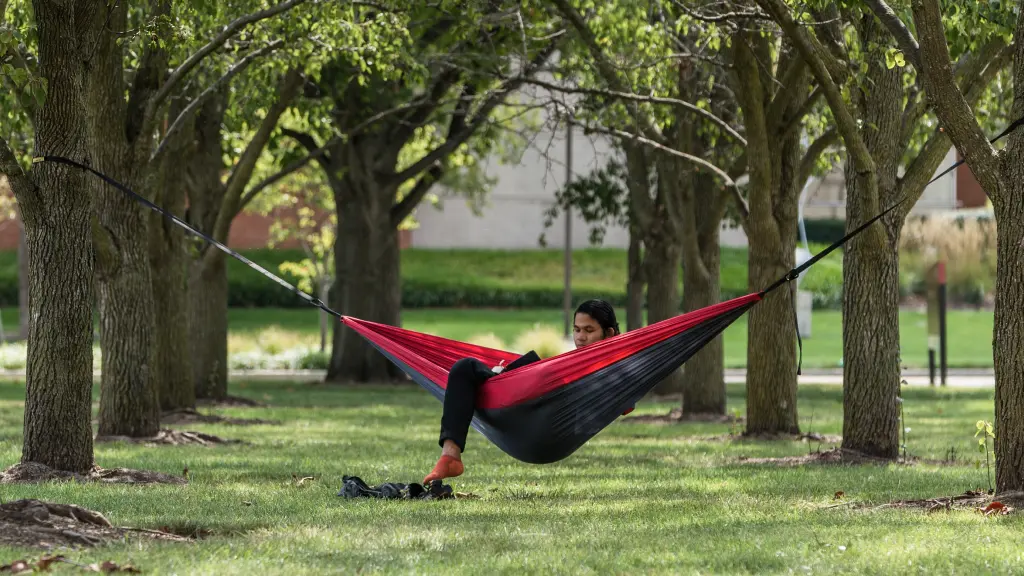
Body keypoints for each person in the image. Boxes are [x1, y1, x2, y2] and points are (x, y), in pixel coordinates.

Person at [422, 299, 622, 484]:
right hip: (524, 409)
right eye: (576, 330)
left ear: (609, 333)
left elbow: (623, 400)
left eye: (589, 330)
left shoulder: (617, 370)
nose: (580, 337)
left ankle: (501, 375)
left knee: (471, 368)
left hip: (548, 425)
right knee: (463, 369)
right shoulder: (573, 362)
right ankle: (450, 455)